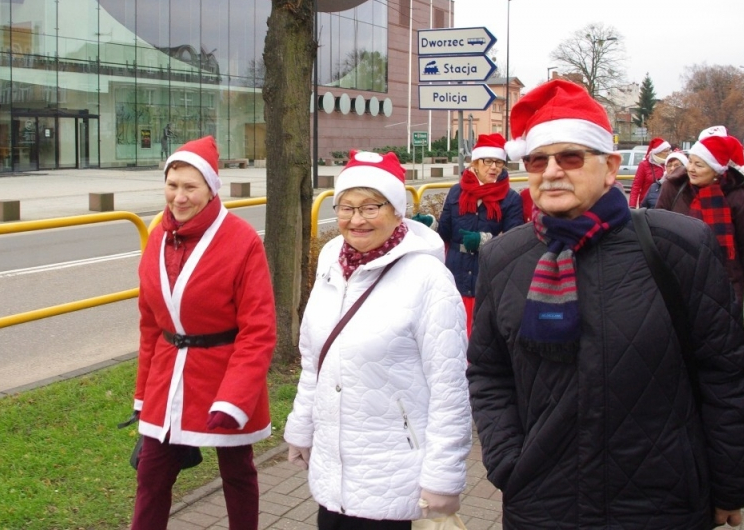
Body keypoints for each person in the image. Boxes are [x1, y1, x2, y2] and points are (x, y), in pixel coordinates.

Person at [469, 80, 744, 530]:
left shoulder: (677, 246)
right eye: (537, 159)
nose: (551, 171)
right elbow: (488, 372)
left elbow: (724, 374)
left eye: (570, 157)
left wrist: (730, 484)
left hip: (660, 502)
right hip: (542, 502)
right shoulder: (502, 259)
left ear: (610, 167)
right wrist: (508, 460)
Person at [285, 149, 471, 527]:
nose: (356, 220)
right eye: (346, 207)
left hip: (395, 474)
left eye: (372, 207)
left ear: (397, 210)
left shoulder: (428, 278)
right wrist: (301, 426)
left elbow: (449, 390)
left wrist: (442, 478)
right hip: (333, 469)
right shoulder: (330, 262)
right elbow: (314, 360)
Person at [130, 135, 277, 530]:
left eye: (190, 187)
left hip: (223, 372)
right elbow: (150, 324)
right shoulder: (157, 236)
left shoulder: (242, 241)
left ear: (211, 189)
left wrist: (234, 399)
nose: (179, 197)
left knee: (237, 472)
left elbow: (258, 329)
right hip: (168, 376)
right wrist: (143, 393)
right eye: (172, 185)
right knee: (151, 474)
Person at [416, 133, 524, 336]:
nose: (494, 167)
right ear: (475, 162)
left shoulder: (510, 199)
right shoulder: (457, 192)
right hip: (456, 276)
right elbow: (444, 234)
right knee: (451, 335)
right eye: (489, 161)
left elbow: (514, 242)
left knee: (481, 339)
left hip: (488, 279)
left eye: (499, 163)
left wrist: (484, 241)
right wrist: (429, 224)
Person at [656, 134, 744, 316]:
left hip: (725, 283)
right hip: (680, 281)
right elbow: (657, 234)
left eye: (699, 165)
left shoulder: (739, 196)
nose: (691, 169)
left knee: (723, 339)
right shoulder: (673, 188)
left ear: (716, 171)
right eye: (690, 162)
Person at [628, 137, 670, 207]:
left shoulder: (668, 165)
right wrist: (632, 207)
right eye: (666, 151)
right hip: (647, 205)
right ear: (657, 152)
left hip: (664, 205)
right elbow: (636, 187)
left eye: (669, 150)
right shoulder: (644, 165)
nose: (668, 153)